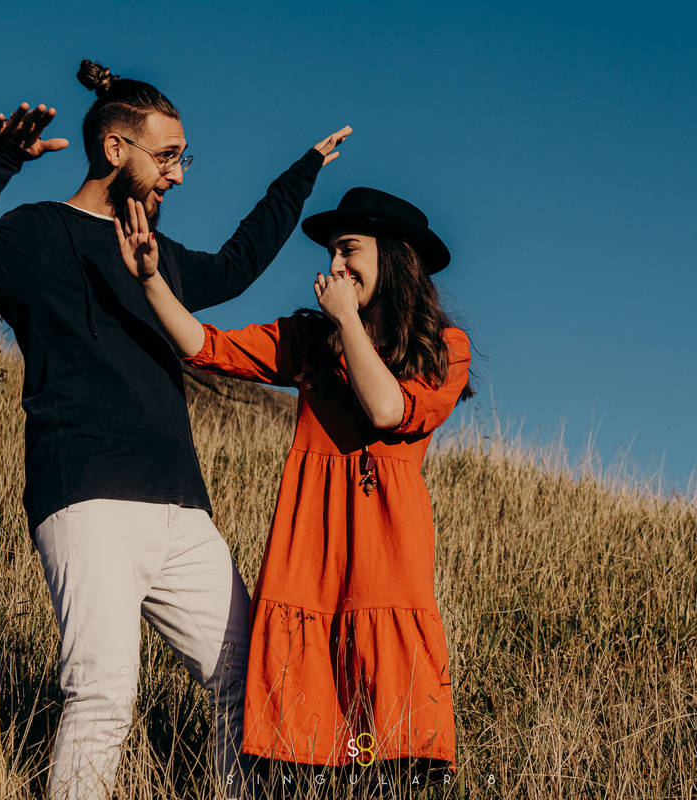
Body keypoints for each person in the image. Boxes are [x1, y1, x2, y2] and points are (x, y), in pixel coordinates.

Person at [0, 59, 350, 800]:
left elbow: (241, 262)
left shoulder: (165, 263)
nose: (179, 174)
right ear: (116, 148)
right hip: (87, 498)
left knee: (246, 684)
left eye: (185, 157)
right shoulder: (41, 234)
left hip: (183, 511)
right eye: (169, 156)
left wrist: (302, 173)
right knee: (103, 693)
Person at [117, 186, 473, 790]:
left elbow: (388, 409)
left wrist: (346, 323)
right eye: (332, 252)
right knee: (303, 750)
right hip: (307, 560)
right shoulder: (311, 342)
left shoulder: (444, 350)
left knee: (387, 754)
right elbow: (204, 346)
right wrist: (151, 280)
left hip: (385, 568)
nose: (334, 266)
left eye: (349, 251)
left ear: (395, 256)